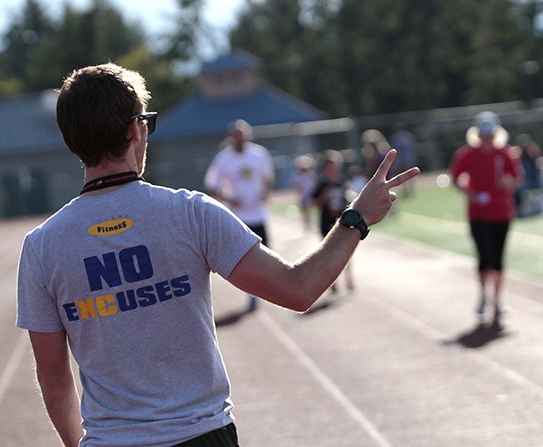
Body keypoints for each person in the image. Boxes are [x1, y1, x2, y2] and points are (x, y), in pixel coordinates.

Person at [15, 62, 419, 447]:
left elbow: (54, 380)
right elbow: (299, 289)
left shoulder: (42, 246)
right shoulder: (190, 212)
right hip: (203, 436)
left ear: (72, 142)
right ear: (136, 131)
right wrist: (357, 218)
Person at [450, 111, 522, 329]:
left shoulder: (506, 153)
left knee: (498, 258)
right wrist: (470, 193)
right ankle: (483, 295)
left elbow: (518, 178)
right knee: (484, 255)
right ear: (477, 135)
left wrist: (507, 183)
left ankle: (497, 300)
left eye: (490, 135)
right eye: (483, 135)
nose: (487, 139)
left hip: (502, 212)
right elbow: (455, 178)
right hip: (478, 213)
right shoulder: (466, 154)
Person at [204, 119, 275, 311]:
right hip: (238, 217)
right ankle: (253, 293)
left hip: (258, 213)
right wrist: (229, 198)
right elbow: (212, 184)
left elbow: (267, 175)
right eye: (236, 137)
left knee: (267, 254)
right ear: (230, 138)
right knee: (245, 259)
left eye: (242, 136)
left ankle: (270, 289)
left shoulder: (259, 154)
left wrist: (265, 190)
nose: (239, 140)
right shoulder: (223, 159)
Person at [311, 149, 353, 291]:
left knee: (346, 250)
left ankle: (349, 278)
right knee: (328, 254)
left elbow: (349, 198)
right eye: (329, 166)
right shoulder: (321, 183)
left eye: (334, 165)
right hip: (326, 222)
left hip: (342, 221)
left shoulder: (342, 180)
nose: (332, 169)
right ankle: (332, 282)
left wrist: (347, 198)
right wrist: (324, 198)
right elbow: (313, 202)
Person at [513, 133, 543, 217]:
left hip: (533, 181)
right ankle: (517, 207)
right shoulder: (516, 158)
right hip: (522, 182)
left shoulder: (534, 158)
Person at [290, 154, 317, 230]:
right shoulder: (297, 175)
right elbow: (295, 185)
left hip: (309, 195)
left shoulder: (310, 174)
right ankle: (306, 223)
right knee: (304, 210)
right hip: (302, 196)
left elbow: (313, 184)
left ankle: (309, 222)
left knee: (308, 210)